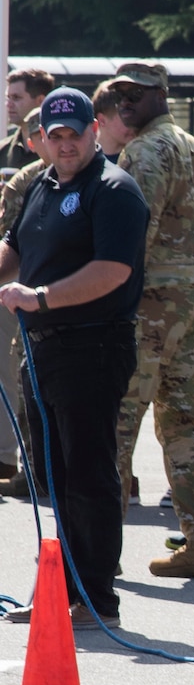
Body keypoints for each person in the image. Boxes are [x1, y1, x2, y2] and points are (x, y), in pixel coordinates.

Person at [0, 88, 148, 630]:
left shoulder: (114, 191)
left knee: (88, 474)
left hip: (93, 344)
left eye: (73, 134)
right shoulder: (42, 183)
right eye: (54, 136)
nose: (64, 145)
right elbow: (17, 249)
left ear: (94, 131)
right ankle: (61, 587)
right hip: (41, 351)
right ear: (42, 138)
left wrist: (38, 298)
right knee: (50, 475)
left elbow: (112, 271)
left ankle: (95, 596)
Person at [95, 64, 194, 578]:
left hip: (146, 301)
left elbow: (132, 231)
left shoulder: (143, 151)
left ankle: (98, 554)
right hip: (192, 298)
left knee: (117, 421)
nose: (125, 103)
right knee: (184, 421)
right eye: (119, 95)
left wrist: (113, 299)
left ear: (162, 95)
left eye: (137, 94)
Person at [0, 68, 55, 490]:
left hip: (59, 295)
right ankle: (30, 469)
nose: (9, 102)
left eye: (17, 96)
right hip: (21, 288)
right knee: (23, 379)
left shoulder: (102, 177)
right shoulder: (19, 168)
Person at [0, 67, 53, 171]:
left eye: (16, 98)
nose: (8, 104)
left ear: (41, 101)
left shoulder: (58, 149)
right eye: (8, 98)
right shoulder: (3, 150)